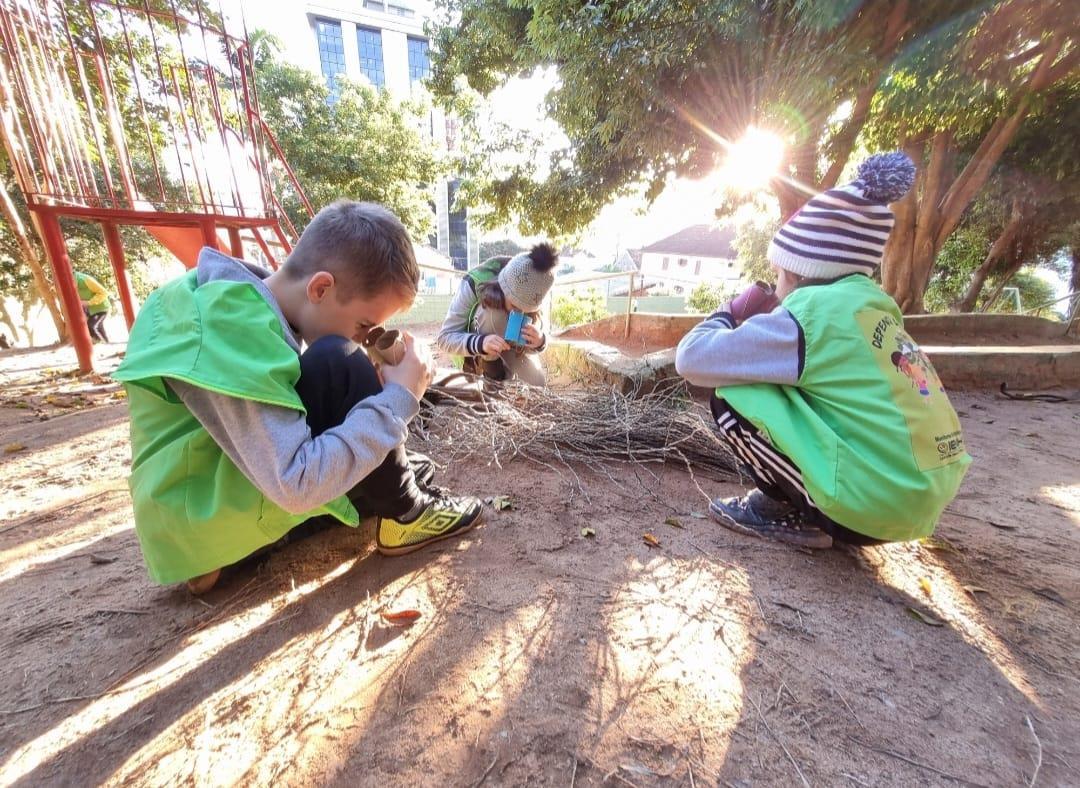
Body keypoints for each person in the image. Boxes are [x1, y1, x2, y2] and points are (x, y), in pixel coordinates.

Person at [113, 201, 483, 593]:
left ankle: (219, 553)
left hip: (188, 504)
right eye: (364, 325)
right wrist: (399, 396)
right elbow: (296, 483)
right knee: (341, 363)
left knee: (377, 441)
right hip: (203, 518)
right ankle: (408, 512)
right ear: (321, 288)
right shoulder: (233, 329)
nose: (365, 339)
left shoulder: (223, 299)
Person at [675, 152, 970, 549]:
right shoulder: (872, 306)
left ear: (797, 273)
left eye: (779, 274)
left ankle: (788, 511)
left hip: (875, 508)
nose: (776, 285)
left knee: (731, 395)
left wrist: (731, 311)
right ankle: (835, 503)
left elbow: (691, 359)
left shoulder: (809, 314)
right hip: (922, 494)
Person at [437, 244, 557, 385]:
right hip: (478, 345)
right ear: (502, 288)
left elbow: (540, 338)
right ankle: (493, 375)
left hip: (513, 349)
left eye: (527, 310)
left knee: (538, 383)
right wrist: (480, 344)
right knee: (494, 314)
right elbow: (444, 339)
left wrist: (539, 341)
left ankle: (506, 376)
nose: (519, 313)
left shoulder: (538, 285)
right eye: (515, 306)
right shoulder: (475, 281)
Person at [75, 270, 111, 342]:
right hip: (91, 311)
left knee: (91, 326)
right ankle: (107, 344)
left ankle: (100, 343)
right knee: (98, 328)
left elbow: (104, 293)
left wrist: (89, 302)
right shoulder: (71, 284)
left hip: (101, 308)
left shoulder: (84, 279)